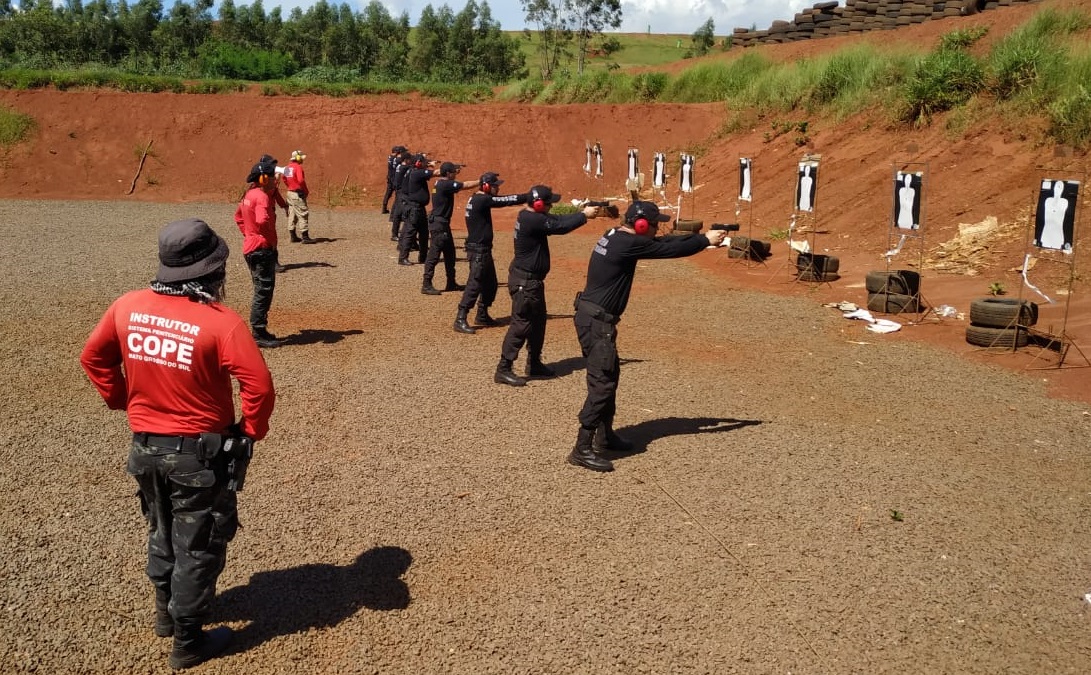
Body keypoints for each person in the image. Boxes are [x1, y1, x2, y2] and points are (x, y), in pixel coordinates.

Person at [80, 218, 276, 669]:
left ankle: (165, 615)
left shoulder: (127, 306)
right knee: (199, 542)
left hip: (145, 447)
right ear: (212, 271)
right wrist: (251, 430)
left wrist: (120, 399)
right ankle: (188, 641)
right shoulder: (220, 322)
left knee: (160, 527)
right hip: (199, 455)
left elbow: (93, 357)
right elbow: (259, 387)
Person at [567, 201, 727, 472]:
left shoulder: (615, 235)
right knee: (602, 383)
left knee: (611, 375)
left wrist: (703, 238)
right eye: (653, 224)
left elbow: (664, 242)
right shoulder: (628, 244)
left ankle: (605, 435)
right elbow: (668, 249)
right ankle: (582, 448)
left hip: (593, 318)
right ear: (641, 224)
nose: (656, 228)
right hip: (597, 323)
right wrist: (703, 241)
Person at [494, 185, 598, 386]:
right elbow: (560, 227)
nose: (551, 206)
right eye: (549, 203)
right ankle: (503, 368)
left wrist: (580, 214)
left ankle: (534, 362)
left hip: (532, 282)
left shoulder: (530, 216)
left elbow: (556, 221)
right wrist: (584, 216)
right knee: (521, 325)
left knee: (538, 322)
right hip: (526, 283)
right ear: (540, 204)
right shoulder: (532, 219)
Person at [453, 171, 527, 334]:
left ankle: (482, 313)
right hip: (478, 250)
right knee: (474, 284)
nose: (497, 189)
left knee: (490, 284)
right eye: (494, 186)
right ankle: (460, 317)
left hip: (482, 249)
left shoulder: (476, 198)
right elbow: (506, 201)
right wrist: (527, 197)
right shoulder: (482, 200)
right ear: (486, 186)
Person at [235, 158, 283, 347]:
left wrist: (249, 233)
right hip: (262, 249)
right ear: (263, 178)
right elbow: (263, 219)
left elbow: (238, 217)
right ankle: (258, 331)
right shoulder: (261, 196)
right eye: (271, 176)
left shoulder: (249, 194)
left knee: (259, 288)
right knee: (263, 291)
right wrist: (268, 236)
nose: (274, 179)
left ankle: (259, 329)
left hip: (251, 247)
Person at [421, 162, 478, 295]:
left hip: (442, 224)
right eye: (453, 172)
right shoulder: (445, 185)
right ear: (448, 173)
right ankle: (426, 284)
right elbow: (465, 185)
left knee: (450, 254)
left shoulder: (440, 183)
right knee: (434, 255)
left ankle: (451, 282)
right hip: (439, 225)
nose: (455, 174)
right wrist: (480, 181)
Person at [396, 154, 437, 266]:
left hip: (419, 207)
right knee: (410, 233)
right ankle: (403, 258)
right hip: (414, 208)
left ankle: (423, 257)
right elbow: (436, 173)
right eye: (423, 162)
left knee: (424, 233)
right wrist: (444, 169)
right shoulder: (417, 172)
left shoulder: (414, 171)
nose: (425, 164)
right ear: (418, 163)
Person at [282, 149, 314, 243]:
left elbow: (284, 179)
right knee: (303, 213)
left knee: (292, 213)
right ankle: (305, 237)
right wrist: (304, 190)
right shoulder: (298, 167)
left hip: (290, 193)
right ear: (298, 158)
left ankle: (293, 236)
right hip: (297, 194)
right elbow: (300, 180)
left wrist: (290, 186)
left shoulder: (287, 167)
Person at [388, 150, 413, 242]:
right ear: (406, 160)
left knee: (398, 214)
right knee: (401, 214)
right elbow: (412, 167)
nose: (411, 161)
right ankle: (398, 234)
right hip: (401, 192)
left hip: (399, 191)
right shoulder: (404, 167)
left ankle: (396, 233)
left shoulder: (400, 166)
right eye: (409, 159)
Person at [382, 145, 406, 214]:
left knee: (388, 193)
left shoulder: (390, 157)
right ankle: (396, 210)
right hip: (394, 178)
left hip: (390, 177)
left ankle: (384, 208)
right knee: (398, 194)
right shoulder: (397, 159)